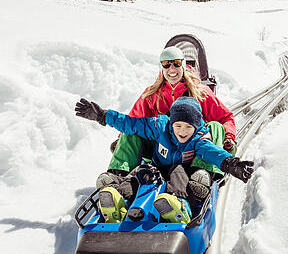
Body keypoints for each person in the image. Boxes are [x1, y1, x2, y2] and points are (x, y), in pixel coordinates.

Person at [75, 96, 253, 223]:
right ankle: (118, 200)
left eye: (188, 127)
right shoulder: (160, 127)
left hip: (182, 174)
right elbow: (132, 124)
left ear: (196, 126)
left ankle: (180, 207)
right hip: (157, 169)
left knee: (177, 173)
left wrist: (232, 164)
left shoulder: (199, 139)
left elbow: (213, 152)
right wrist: (103, 116)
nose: (182, 131)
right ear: (171, 124)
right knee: (138, 174)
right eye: (178, 126)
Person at [96, 46, 237, 202]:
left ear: (183, 65)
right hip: (162, 151)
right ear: (161, 67)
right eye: (166, 64)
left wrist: (228, 138)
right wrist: (121, 142)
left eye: (176, 63)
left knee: (215, 126)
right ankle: (118, 176)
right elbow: (133, 120)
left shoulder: (200, 92)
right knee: (130, 131)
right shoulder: (152, 94)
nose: (172, 69)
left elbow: (226, 118)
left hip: (195, 150)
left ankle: (202, 174)